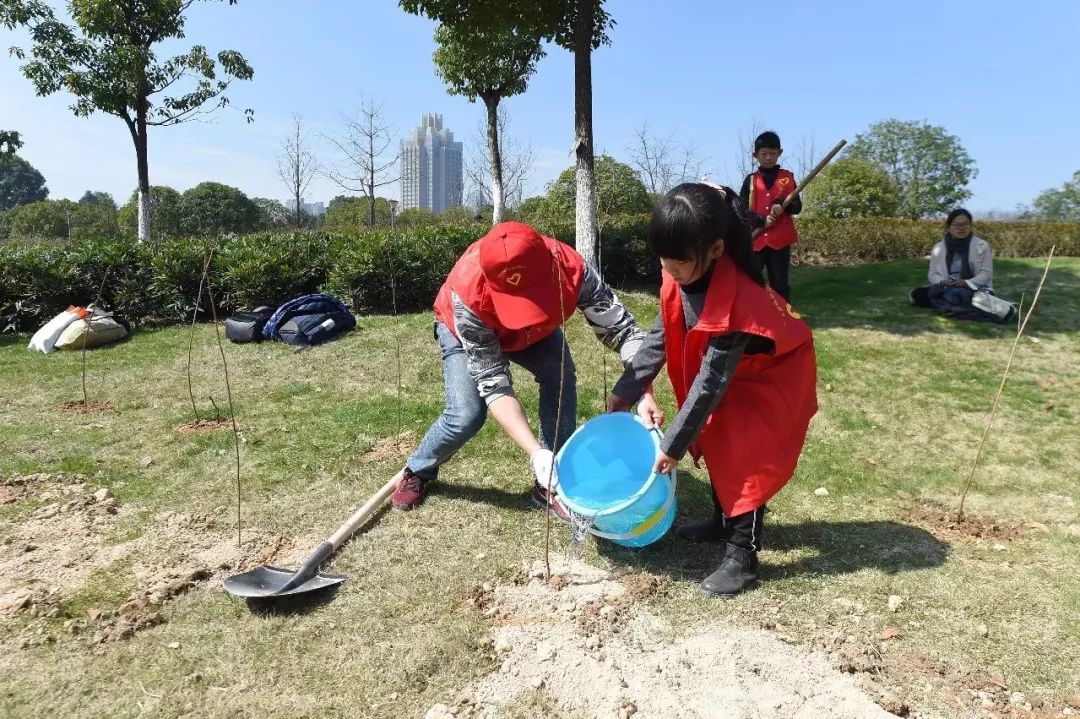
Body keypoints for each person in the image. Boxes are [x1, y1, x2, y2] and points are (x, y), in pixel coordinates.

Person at [607, 183, 818, 597]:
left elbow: (710, 383)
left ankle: (743, 554)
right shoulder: (680, 271)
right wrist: (628, 388)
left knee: (746, 456)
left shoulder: (738, 301)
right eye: (662, 259)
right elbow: (661, 333)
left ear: (717, 250)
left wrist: (672, 445)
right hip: (735, 373)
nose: (668, 269)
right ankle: (723, 520)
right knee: (719, 438)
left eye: (678, 262)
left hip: (773, 376)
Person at [393, 221, 647, 518]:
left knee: (559, 373)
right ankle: (418, 468)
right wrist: (535, 453)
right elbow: (493, 382)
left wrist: (641, 390)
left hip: (537, 333)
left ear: (551, 270)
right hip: (464, 331)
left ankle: (552, 484)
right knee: (466, 415)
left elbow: (625, 331)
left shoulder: (573, 269)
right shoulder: (468, 293)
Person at [908, 209, 1017, 323]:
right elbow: (932, 274)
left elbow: (986, 273)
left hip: (974, 288)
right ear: (949, 226)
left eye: (965, 224)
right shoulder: (938, 247)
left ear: (970, 226)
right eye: (956, 225)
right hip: (947, 286)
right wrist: (943, 282)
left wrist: (966, 283)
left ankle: (985, 305)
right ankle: (977, 304)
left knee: (954, 294)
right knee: (916, 295)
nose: (961, 228)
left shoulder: (982, 246)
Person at [739, 130, 802, 302]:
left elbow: (797, 207)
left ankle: (784, 322)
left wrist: (783, 205)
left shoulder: (787, 178)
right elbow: (741, 211)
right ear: (755, 155)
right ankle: (752, 320)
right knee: (750, 283)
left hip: (780, 242)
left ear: (779, 153)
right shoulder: (750, 180)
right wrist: (761, 221)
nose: (768, 157)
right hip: (755, 241)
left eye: (772, 153)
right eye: (764, 154)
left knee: (780, 284)